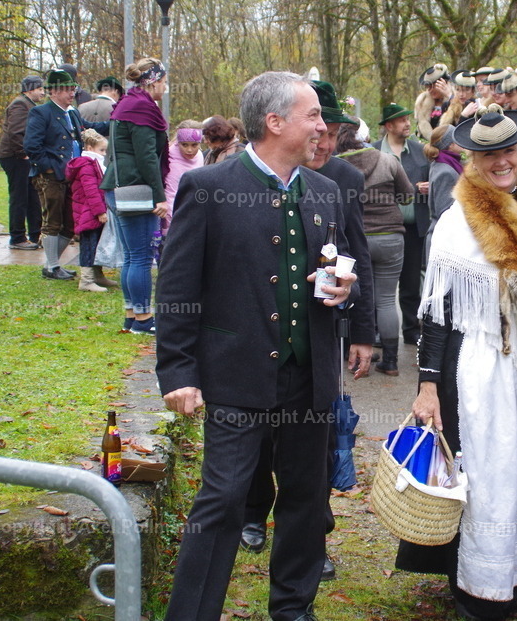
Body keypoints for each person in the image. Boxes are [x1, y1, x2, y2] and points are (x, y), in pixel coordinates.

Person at [157, 70, 358, 621]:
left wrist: (344, 290)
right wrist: (177, 371)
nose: (323, 125)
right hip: (237, 372)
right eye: (313, 115)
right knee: (222, 500)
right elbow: (176, 287)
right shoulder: (210, 187)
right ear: (275, 122)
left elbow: (330, 269)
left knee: (306, 499)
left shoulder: (325, 191)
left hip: (309, 374)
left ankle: (293, 610)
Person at [399, 105, 517, 620]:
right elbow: (438, 315)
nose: (502, 162)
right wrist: (428, 386)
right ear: (472, 158)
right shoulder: (456, 221)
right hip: (479, 368)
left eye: (509, 151)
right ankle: (477, 586)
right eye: (490, 154)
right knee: (486, 475)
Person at [238, 81, 376, 572]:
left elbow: (356, 258)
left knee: (314, 443)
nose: (326, 139)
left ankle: (314, 534)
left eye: (335, 131)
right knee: (256, 438)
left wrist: (363, 330)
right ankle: (252, 514)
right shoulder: (236, 181)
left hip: (320, 338)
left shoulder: (340, 182)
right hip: (257, 345)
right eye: (320, 125)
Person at [338, 118, 415, 376]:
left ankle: (361, 355)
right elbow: (407, 195)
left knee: (362, 296)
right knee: (385, 299)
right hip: (391, 236)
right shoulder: (387, 160)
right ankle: (391, 361)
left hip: (358, 238)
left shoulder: (338, 165)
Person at [99, 57, 170, 336]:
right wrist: (159, 196)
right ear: (152, 81)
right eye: (163, 82)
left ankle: (132, 316)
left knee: (131, 256)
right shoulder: (142, 107)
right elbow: (147, 158)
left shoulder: (126, 103)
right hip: (136, 187)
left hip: (118, 185)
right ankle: (144, 319)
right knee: (141, 257)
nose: (165, 89)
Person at [24, 68, 110, 280]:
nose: (71, 93)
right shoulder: (41, 112)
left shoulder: (72, 112)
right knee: (53, 221)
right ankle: (52, 267)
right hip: (50, 176)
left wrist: (116, 122)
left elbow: (89, 128)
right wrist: (50, 168)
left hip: (71, 175)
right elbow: (31, 146)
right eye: (66, 89)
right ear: (52, 92)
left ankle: (53, 265)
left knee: (71, 223)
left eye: (73, 89)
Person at [373, 103, 430, 346]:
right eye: (401, 120)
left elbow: (434, 181)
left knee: (410, 285)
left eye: (408, 118)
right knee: (379, 286)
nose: (408, 123)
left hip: (413, 230)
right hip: (381, 229)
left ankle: (411, 329)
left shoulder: (420, 151)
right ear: (388, 126)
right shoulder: (373, 152)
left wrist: (430, 187)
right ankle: (377, 332)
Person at [0, 75, 45, 250]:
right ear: (30, 89)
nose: (42, 92)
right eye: (40, 89)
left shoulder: (28, 104)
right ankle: (17, 238)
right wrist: (23, 153)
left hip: (22, 157)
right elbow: (15, 131)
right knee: (20, 197)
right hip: (15, 157)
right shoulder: (20, 104)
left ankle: (35, 234)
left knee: (32, 196)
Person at [66, 129, 116, 292]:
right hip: (89, 213)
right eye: (101, 150)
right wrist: (100, 212)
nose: (103, 153)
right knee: (89, 245)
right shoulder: (86, 165)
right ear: (89, 147)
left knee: (97, 244)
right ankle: (86, 280)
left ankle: (97, 275)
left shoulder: (93, 163)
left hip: (92, 211)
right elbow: (91, 191)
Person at [422, 124, 463, 255]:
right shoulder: (447, 171)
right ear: (450, 145)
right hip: (444, 242)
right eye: (457, 137)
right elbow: (444, 212)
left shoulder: (444, 162)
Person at [163, 120, 204, 234]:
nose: (189, 150)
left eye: (194, 145)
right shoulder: (170, 156)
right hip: (172, 217)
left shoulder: (200, 156)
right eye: (184, 145)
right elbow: (171, 192)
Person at [414, 63, 452, 140]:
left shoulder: (454, 100)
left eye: (433, 86)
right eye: (428, 87)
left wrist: (449, 96)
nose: (430, 90)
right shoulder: (422, 102)